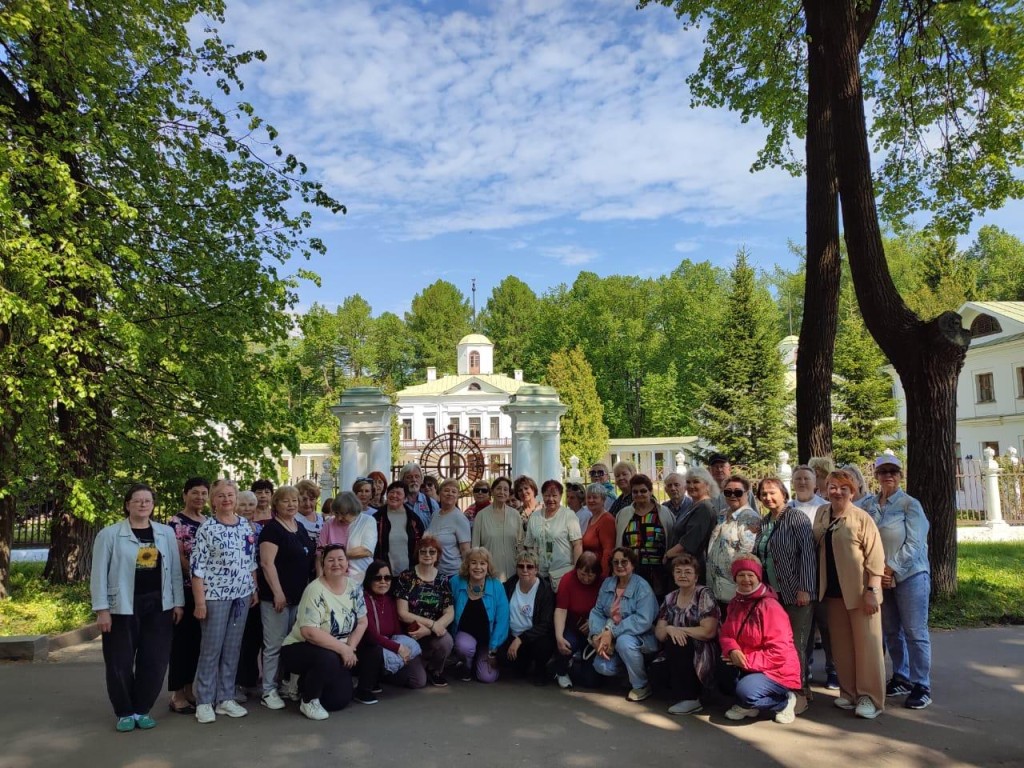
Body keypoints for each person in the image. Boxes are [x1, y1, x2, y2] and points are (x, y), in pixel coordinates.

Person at [91, 483, 184, 732]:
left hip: (158, 605)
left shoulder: (165, 533)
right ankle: (124, 711)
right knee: (119, 661)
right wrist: (102, 609)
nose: (143, 504)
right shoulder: (109, 535)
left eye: (147, 500)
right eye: (137, 500)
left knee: (155, 660)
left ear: (153, 505)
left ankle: (142, 709)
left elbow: (174, 570)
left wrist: (178, 602)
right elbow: (98, 573)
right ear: (127, 504)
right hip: (122, 606)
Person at [813, 469, 887, 720]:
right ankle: (849, 692)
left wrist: (872, 590)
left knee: (867, 646)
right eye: (832, 487)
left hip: (860, 592)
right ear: (825, 490)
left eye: (844, 488)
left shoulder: (862, 518)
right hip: (833, 592)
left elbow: (876, 557)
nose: (837, 491)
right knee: (842, 646)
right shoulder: (822, 514)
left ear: (853, 492)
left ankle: (870, 697)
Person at [279, 545, 381, 718]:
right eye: (330, 560)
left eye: (340, 559)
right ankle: (309, 700)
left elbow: (363, 622)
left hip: (337, 649)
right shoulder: (314, 590)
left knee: (338, 701)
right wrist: (343, 650)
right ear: (323, 564)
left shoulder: (354, 586)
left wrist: (351, 647)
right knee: (328, 657)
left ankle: (360, 688)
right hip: (301, 647)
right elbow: (309, 632)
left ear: (347, 563)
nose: (336, 564)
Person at [863, 455, 932, 710]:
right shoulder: (869, 504)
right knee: (891, 630)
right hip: (882, 577)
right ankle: (901, 677)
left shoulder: (909, 505)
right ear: (876, 475)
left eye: (893, 471)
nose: (888, 476)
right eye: (883, 471)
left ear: (900, 475)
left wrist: (890, 568)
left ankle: (921, 684)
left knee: (915, 631)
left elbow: (915, 543)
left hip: (910, 575)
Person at [190, 479, 258, 724]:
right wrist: (200, 602)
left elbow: (250, 562)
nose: (227, 499)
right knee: (211, 649)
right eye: (221, 496)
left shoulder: (245, 527)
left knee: (232, 648)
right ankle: (205, 700)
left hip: (241, 595)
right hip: (215, 597)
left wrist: (253, 588)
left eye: (230, 495)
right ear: (213, 501)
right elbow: (197, 568)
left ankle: (225, 697)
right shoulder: (208, 528)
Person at [754, 476, 816, 706]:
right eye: (763, 494)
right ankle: (783, 687)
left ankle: (800, 692)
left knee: (796, 643)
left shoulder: (796, 518)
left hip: (796, 593)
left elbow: (808, 555)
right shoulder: (764, 521)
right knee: (779, 642)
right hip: (773, 595)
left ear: (784, 493)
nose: (768, 497)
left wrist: (805, 588)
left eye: (772, 492)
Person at [719, 555, 802, 724]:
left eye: (751, 575)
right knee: (720, 672)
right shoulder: (736, 602)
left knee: (746, 692)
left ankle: (784, 701)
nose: (746, 579)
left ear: (758, 577)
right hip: (750, 663)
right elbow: (726, 634)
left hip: (776, 669)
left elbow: (779, 653)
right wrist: (732, 649)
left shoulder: (770, 607)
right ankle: (749, 704)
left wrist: (744, 661)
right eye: (741, 575)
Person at [257, 485, 316, 711]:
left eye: (295, 500)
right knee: (274, 644)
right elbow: (266, 563)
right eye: (285, 501)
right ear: (276, 504)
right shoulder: (272, 530)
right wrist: (278, 592)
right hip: (277, 598)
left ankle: (285, 684)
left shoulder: (298, 526)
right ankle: (268, 690)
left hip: (298, 596)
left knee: (291, 643)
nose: (291, 504)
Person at [589, 547, 659, 702]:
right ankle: (630, 671)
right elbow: (597, 612)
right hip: (610, 635)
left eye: (624, 562)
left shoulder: (642, 587)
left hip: (642, 637)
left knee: (624, 642)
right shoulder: (608, 583)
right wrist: (596, 635)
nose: (620, 565)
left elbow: (643, 620)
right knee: (603, 667)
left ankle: (641, 685)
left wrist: (611, 633)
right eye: (616, 562)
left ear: (633, 564)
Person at [652, 554, 720, 715]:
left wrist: (678, 629)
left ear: (696, 577)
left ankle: (691, 698)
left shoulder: (704, 594)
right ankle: (680, 691)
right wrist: (669, 629)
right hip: (676, 650)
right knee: (656, 676)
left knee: (677, 641)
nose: (683, 575)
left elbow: (708, 631)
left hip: (703, 649)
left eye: (688, 572)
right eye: (678, 571)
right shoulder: (670, 598)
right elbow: (660, 633)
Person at [790, 463, 836, 689]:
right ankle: (803, 668)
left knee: (827, 626)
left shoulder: (826, 508)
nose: (802, 482)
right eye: (798, 478)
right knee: (803, 629)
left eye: (806, 478)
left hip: (822, 577)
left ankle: (833, 669)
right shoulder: (787, 508)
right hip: (796, 579)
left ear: (815, 483)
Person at [167, 477, 208, 713]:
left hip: (204, 590)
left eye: (204, 493)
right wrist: (195, 576)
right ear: (185, 495)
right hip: (185, 588)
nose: (200, 497)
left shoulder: (208, 521)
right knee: (181, 643)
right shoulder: (175, 523)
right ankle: (177, 695)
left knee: (197, 642)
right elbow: (178, 557)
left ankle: (190, 688)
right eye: (195, 493)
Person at [393, 536, 456, 687]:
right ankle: (391, 673)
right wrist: (432, 625)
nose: (427, 555)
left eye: (432, 552)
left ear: (437, 555)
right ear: (417, 554)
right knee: (418, 682)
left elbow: (449, 612)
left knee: (446, 641)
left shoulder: (442, 579)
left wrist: (430, 630)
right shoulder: (406, 577)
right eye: (423, 552)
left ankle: (434, 671)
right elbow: (402, 613)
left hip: (431, 634)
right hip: (410, 633)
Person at [450, 547, 510, 683]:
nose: (478, 567)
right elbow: (447, 610)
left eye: (482, 563)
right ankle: (466, 664)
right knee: (465, 647)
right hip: (465, 636)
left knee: (487, 678)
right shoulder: (455, 582)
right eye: (474, 563)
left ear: (488, 566)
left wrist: (493, 650)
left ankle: (479, 657)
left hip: (488, 642)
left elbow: (502, 620)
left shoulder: (497, 586)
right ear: (467, 565)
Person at [361, 559, 426, 689]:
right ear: (369, 579)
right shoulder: (364, 600)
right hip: (373, 649)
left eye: (387, 578)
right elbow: (372, 636)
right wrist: (398, 648)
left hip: (390, 645)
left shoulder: (390, 600)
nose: (383, 582)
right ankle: (373, 676)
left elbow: (396, 632)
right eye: (377, 578)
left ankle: (384, 674)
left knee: (419, 681)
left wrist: (403, 650)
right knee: (376, 652)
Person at [706, 475, 761, 612]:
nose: (732, 495)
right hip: (715, 586)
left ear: (747, 493)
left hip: (734, 590)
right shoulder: (723, 514)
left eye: (738, 492)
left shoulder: (750, 518)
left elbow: (746, 556)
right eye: (728, 492)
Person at [614, 474, 674, 597]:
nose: (639, 494)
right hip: (631, 570)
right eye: (635, 492)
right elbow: (619, 541)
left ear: (651, 491)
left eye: (643, 491)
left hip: (658, 572)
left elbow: (672, 539)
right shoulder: (624, 514)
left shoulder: (664, 513)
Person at [501, 550, 556, 685]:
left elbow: (545, 624)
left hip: (534, 638)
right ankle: (522, 664)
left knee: (543, 646)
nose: (525, 570)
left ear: (536, 569)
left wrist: (521, 639)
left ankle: (540, 667)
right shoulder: (508, 586)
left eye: (530, 566)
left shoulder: (545, 590)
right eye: (521, 566)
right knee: (506, 662)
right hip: (512, 636)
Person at [234, 489, 269, 702]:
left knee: (255, 635)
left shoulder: (259, 529)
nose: (247, 509)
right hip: (238, 587)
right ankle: (237, 683)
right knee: (240, 638)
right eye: (243, 504)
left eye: (251, 505)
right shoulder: (231, 527)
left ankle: (250, 680)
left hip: (258, 585)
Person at [552, 552, 601, 689]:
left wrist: (593, 623)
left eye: (590, 575)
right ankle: (561, 671)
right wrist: (559, 636)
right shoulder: (567, 579)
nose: (586, 579)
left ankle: (583, 667)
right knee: (566, 644)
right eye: (582, 574)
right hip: (572, 627)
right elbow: (561, 609)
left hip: (594, 630)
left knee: (591, 682)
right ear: (576, 570)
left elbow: (607, 609)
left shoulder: (603, 582)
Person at [525, 479, 582, 591]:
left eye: (554, 495)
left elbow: (578, 544)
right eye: (547, 495)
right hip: (540, 576)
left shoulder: (568, 515)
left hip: (563, 574)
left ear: (560, 496)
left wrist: (577, 570)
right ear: (542, 496)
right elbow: (529, 546)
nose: (550, 499)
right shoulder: (535, 517)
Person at [663, 468, 718, 575]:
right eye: (688, 482)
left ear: (707, 485)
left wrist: (668, 554)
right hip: (683, 564)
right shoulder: (694, 505)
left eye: (696, 481)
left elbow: (690, 542)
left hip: (691, 568)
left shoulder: (704, 508)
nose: (691, 486)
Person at [471, 476, 523, 581]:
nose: (502, 492)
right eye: (498, 488)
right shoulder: (481, 516)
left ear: (508, 493)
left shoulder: (515, 515)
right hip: (489, 574)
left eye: (505, 489)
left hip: (512, 573)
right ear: (492, 491)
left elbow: (520, 544)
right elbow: (475, 547)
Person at [320, 491, 377, 583]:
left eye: (343, 514)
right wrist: (320, 579)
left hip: (359, 577)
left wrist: (334, 555)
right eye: (336, 513)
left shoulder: (368, 521)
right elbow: (320, 553)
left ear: (353, 510)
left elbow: (366, 550)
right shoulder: (329, 523)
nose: (338, 518)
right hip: (333, 578)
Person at [372, 481, 425, 576]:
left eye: (398, 493)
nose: (394, 495)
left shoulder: (413, 519)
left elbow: (421, 544)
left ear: (405, 499)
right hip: (383, 574)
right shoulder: (377, 518)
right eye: (391, 492)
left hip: (409, 573)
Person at [427, 479, 472, 577]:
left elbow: (465, 550)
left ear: (457, 496)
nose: (450, 494)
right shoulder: (435, 514)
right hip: (435, 572)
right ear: (440, 493)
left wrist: (467, 574)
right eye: (446, 490)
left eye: (454, 491)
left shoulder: (460, 518)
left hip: (453, 573)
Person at [580, 483, 616, 578]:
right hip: (589, 571)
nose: (591, 500)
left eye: (595, 497)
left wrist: (603, 576)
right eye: (589, 497)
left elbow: (608, 551)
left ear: (603, 500)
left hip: (598, 572)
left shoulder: (607, 520)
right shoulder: (592, 518)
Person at [707, 454, 757, 521]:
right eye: (715, 466)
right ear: (709, 470)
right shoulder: (704, 492)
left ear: (729, 468)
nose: (719, 469)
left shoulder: (742, 490)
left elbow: (755, 515)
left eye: (722, 466)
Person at [400, 462, 438, 528]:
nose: (414, 480)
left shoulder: (431, 504)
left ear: (421, 480)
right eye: (409, 477)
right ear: (402, 481)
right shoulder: (397, 503)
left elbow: (438, 528)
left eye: (417, 476)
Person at [294, 479, 324, 548]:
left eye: (312, 499)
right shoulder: (293, 520)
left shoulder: (321, 519)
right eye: (304, 499)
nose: (308, 503)